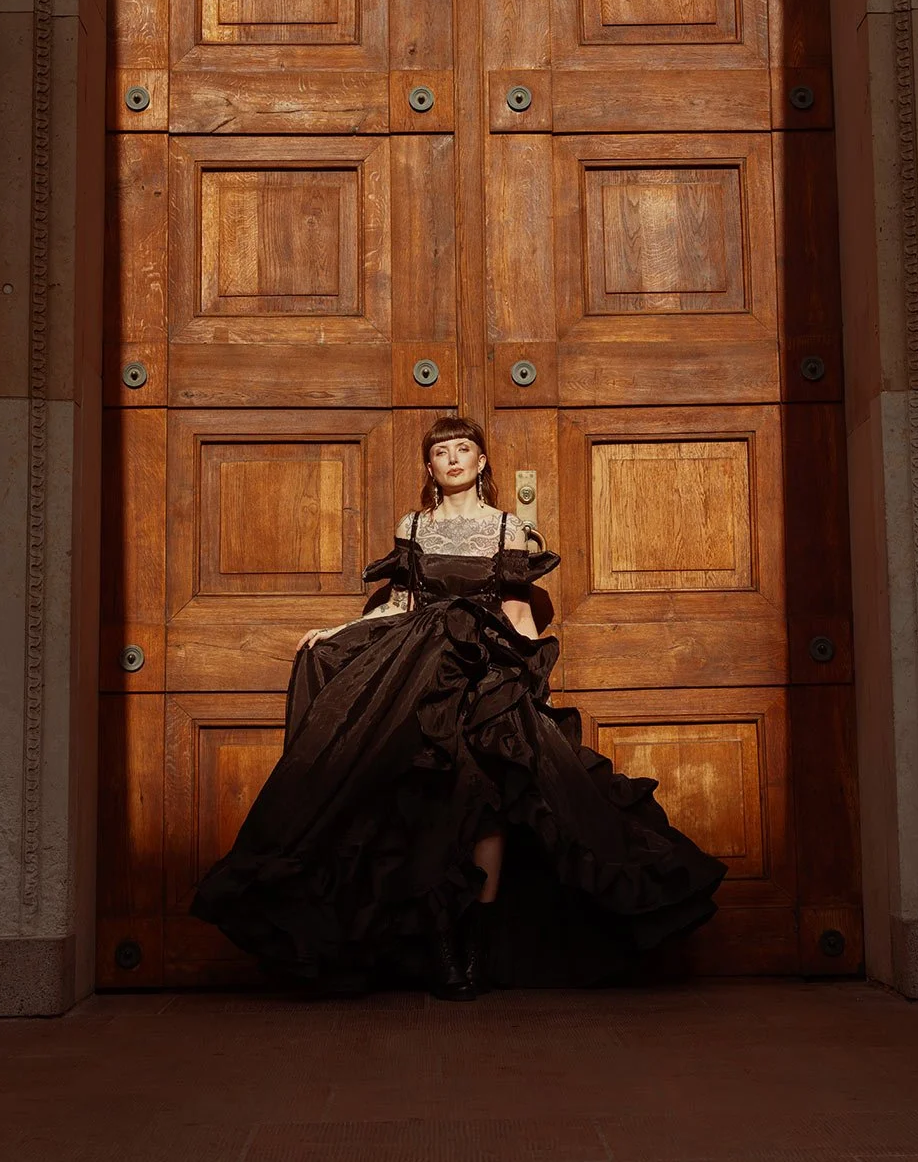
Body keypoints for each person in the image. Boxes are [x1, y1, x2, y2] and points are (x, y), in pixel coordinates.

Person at [190, 416, 727, 1000]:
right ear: (429, 466)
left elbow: (519, 616)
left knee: (491, 803)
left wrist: (528, 685)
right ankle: (441, 945)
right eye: (441, 451)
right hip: (422, 681)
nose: (452, 459)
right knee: (429, 803)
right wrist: (339, 629)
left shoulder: (507, 530)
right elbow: (400, 605)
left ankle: (474, 944)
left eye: (463, 449)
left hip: (488, 680)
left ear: (481, 462)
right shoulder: (414, 525)